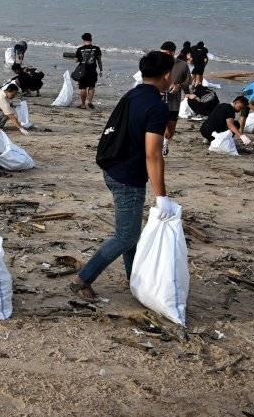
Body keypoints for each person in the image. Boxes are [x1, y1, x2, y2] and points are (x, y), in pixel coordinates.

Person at [70, 51, 175, 300]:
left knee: (131, 232)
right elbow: (153, 154)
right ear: (168, 75)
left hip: (113, 167)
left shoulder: (133, 94)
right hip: (128, 176)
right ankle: (83, 278)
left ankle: (134, 278)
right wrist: (162, 197)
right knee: (126, 235)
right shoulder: (157, 107)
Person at [160, 41, 192, 156]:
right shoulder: (157, 63)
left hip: (174, 102)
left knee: (171, 128)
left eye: (166, 53)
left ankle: (166, 142)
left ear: (173, 52)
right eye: (162, 53)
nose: (163, 56)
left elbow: (188, 81)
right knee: (157, 124)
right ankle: (156, 145)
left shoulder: (182, 65)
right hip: (158, 100)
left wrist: (179, 86)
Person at [74, 33, 103, 109]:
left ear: (83, 40)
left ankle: (83, 105)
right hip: (92, 71)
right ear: (91, 39)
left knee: (83, 88)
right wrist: (101, 70)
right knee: (91, 87)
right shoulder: (96, 48)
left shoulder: (80, 49)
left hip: (82, 71)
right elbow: (99, 60)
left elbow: (76, 60)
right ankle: (89, 101)